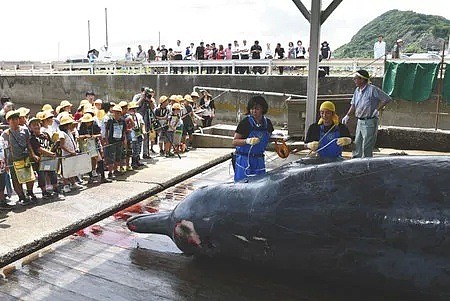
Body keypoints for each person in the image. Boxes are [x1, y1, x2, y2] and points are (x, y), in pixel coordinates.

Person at [342, 69, 392, 158]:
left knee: (367, 145)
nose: (354, 80)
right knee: (357, 144)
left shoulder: (372, 89)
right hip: (360, 121)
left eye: (356, 78)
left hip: (369, 120)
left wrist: (376, 109)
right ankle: (356, 162)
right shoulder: (357, 90)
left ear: (362, 79)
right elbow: (353, 105)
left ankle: (367, 163)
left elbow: (386, 98)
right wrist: (347, 115)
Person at [232, 95, 274, 182]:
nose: (254, 111)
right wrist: (247, 141)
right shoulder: (245, 123)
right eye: (252, 109)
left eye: (257, 109)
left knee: (260, 184)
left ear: (263, 109)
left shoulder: (268, 123)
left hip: (259, 160)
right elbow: (235, 141)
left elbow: (268, 137)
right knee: (243, 185)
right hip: (244, 160)